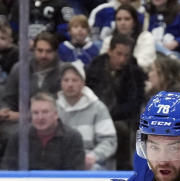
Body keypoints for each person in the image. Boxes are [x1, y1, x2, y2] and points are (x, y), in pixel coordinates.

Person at [86, 32, 146, 169]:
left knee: (121, 129)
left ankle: (123, 169)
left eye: (126, 55)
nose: (122, 59)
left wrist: (111, 115)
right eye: (119, 54)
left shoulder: (134, 73)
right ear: (109, 51)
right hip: (94, 115)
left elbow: (135, 103)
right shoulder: (94, 69)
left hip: (121, 118)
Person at [1, 92, 86, 170]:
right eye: (35, 113)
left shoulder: (73, 138)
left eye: (45, 112)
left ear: (55, 114)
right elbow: (7, 170)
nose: (40, 117)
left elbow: (75, 174)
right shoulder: (19, 137)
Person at [57, 61, 116, 170]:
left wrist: (93, 156)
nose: (70, 84)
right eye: (66, 80)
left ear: (83, 83)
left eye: (74, 80)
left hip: (89, 165)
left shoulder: (98, 108)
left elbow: (109, 140)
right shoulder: (53, 107)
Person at [0, 31, 62, 123]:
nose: (43, 55)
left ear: (56, 52)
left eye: (48, 51)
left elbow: (60, 109)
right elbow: (8, 99)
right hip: (20, 125)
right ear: (33, 50)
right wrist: (4, 109)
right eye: (40, 50)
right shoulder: (19, 69)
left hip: (52, 124)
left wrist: (23, 116)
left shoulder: (64, 72)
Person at [100, 4, 156, 71]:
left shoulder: (145, 37)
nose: (122, 23)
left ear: (134, 22)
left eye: (127, 19)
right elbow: (102, 63)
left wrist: (119, 64)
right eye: (119, 19)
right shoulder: (108, 40)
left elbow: (145, 63)